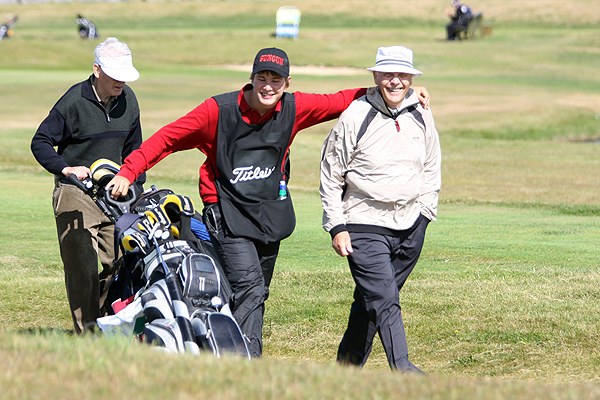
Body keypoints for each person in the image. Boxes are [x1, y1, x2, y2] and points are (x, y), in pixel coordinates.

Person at [106, 47, 430, 358]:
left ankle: (215, 346)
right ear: (252, 78)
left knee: (251, 290)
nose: (268, 86)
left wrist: (402, 92)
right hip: (226, 211)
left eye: (276, 79)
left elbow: (341, 100)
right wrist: (129, 171)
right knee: (250, 286)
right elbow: (168, 138)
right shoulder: (216, 111)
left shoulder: (293, 107)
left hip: (268, 214)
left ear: (287, 83)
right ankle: (245, 357)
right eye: (263, 77)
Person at [320, 46, 441, 373]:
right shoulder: (355, 116)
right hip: (363, 224)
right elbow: (331, 174)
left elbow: (431, 164)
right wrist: (337, 226)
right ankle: (404, 371)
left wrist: (425, 214)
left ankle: (343, 374)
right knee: (386, 301)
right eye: (388, 74)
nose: (395, 81)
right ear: (375, 76)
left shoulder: (420, 110)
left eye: (402, 75)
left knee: (369, 305)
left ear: (411, 78)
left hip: (410, 227)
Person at [31, 37, 144, 334]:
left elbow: (135, 150)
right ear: (97, 70)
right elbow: (40, 142)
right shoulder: (73, 101)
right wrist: (66, 168)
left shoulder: (129, 100)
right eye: (115, 74)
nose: (121, 81)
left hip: (115, 191)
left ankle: (106, 324)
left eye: (125, 74)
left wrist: (135, 186)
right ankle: (88, 334)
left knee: (119, 261)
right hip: (75, 191)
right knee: (82, 261)